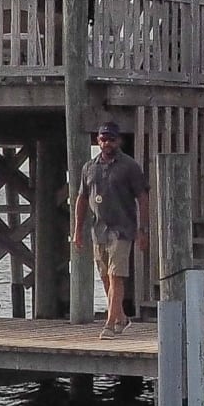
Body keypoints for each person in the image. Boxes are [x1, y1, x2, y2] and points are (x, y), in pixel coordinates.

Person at [72, 120, 150, 334]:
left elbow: (143, 198)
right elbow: (81, 199)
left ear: (119, 141)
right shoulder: (89, 167)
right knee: (105, 276)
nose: (107, 143)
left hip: (122, 229)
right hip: (99, 230)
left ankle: (110, 324)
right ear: (97, 140)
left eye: (111, 139)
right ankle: (121, 317)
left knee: (117, 276)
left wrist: (143, 230)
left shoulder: (129, 166)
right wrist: (77, 230)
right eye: (103, 139)